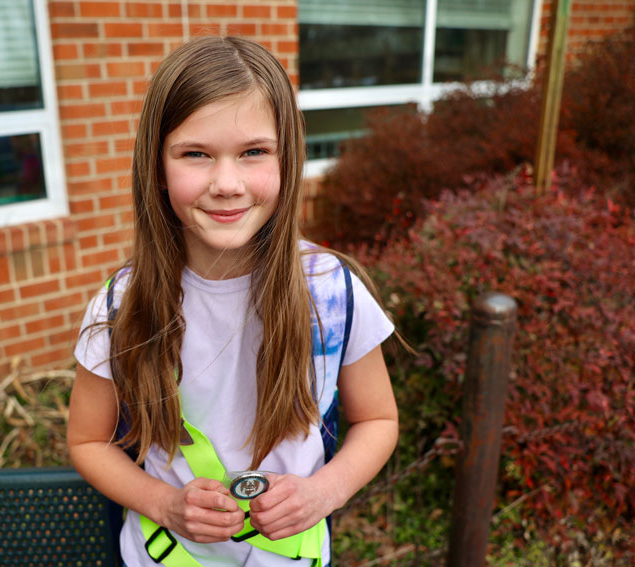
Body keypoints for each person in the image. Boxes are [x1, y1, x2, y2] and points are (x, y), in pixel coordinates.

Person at [67, 36, 399, 567]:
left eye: (253, 153)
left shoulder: (332, 293)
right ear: (156, 166)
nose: (227, 183)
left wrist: (325, 492)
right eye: (196, 154)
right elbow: (88, 441)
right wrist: (165, 505)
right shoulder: (121, 306)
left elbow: (378, 420)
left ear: (288, 159)